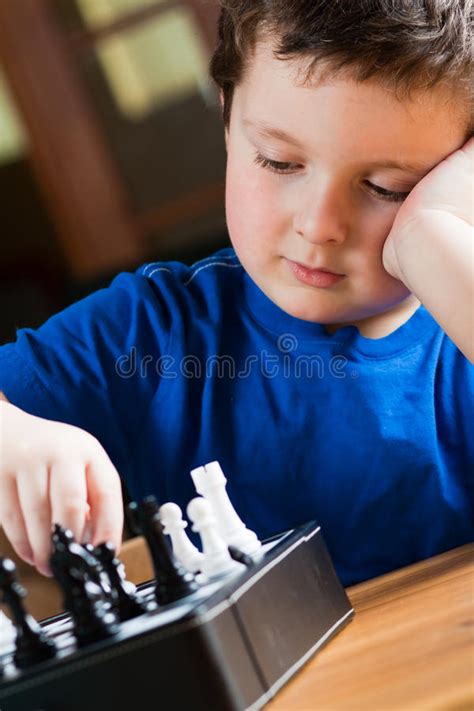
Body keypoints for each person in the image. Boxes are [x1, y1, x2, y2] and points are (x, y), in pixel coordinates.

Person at [0, 1, 472, 585]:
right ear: (227, 121)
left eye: (387, 187)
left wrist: (434, 239)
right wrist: (12, 435)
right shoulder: (150, 333)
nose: (319, 225)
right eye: (278, 162)